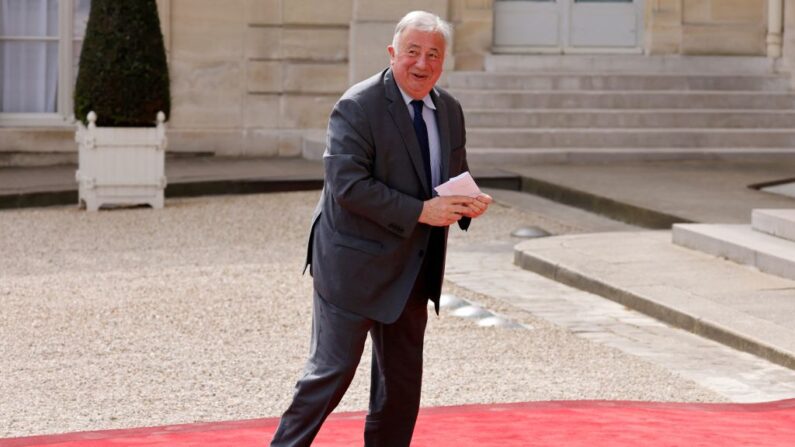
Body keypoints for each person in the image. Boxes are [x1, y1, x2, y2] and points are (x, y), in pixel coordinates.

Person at [269, 10, 492, 447]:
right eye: (413, 52)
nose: (422, 64)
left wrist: (468, 203)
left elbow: (452, 174)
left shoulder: (448, 111)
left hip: (412, 265)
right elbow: (348, 186)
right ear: (393, 53)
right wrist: (420, 212)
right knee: (330, 376)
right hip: (351, 264)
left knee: (401, 386)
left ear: (443, 62)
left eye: (433, 55)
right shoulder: (357, 105)